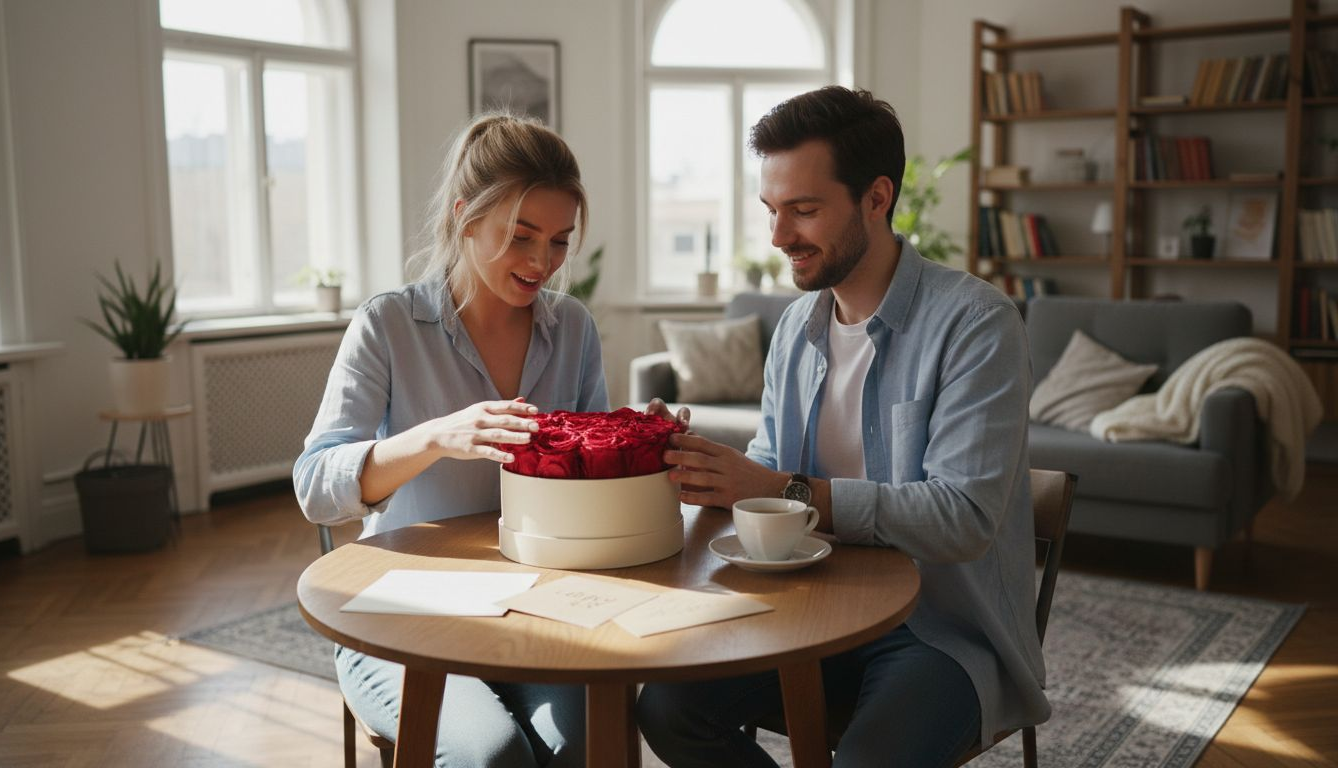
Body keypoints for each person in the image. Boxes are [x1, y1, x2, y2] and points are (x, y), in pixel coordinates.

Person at [637, 86, 1049, 767]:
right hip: (809, 609)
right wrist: (692, 463)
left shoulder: (977, 325)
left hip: (940, 632)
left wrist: (790, 489)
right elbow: (767, 469)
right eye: (771, 210)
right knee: (665, 707)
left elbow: (963, 517)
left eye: (803, 210)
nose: (777, 237)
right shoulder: (798, 327)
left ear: (877, 198)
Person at [294, 112, 606, 768]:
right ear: (466, 217)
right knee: (492, 755)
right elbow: (315, 487)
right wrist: (435, 436)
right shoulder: (388, 324)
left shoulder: (572, 328)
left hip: (538, 605)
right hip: (401, 613)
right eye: (521, 236)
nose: (542, 262)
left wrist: (634, 441)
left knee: (590, 739)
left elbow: (591, 475)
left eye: (557, 241)